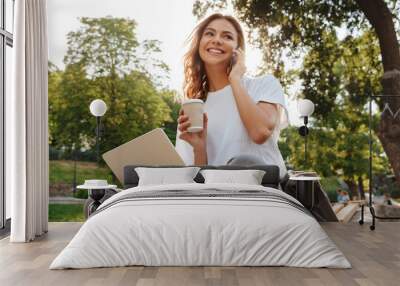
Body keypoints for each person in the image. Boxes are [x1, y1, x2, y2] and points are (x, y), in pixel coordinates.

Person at [175, 13, 289, 179]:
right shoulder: (194, 111)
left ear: (238, 50)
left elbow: (260, 132)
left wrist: (235, 79)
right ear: (199, 44)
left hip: (266, 196)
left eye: (227, 36)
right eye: (209, 33)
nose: (217, 40)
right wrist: (199, 148)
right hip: (220, 199)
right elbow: (197, 181)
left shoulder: (263, 85)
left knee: (245, 160)